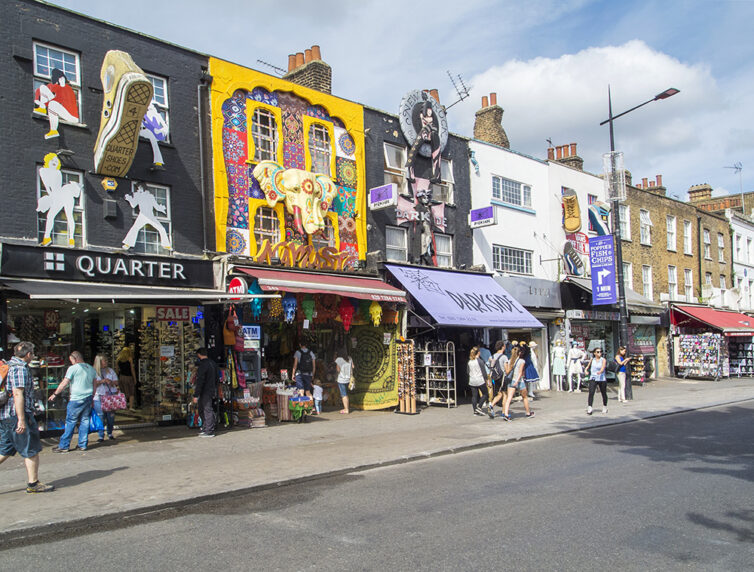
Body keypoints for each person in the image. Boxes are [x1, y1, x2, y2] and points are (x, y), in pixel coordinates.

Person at [0, 342, 54, 493]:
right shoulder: (19, 369)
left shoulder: (8, 365)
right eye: (33, 353)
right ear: (29, 355)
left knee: (4, 450)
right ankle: (33, 484)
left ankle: (34, 483)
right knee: (31, 449)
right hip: (16, 416)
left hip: (5, 416)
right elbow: (18, 394)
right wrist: (21, 419)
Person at [50, 351, 97, 452]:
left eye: (71, 360)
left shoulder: (73, 368)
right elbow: (94, 385)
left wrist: (55, 394)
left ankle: (64, 446)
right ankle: (82, 445)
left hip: (76, 399)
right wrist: (92, 397)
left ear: (75, 359)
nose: (71, 362)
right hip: (88, 397)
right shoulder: (91, 368)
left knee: (71, 421)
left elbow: (64, 383)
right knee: (85, 421)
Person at [502, 345, 534, 421]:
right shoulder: (522, 361)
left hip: (511, 381)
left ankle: (506, 414)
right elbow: (520, 373)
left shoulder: (510, 361)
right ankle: (528, 412)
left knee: (509, 398)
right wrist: (517, 381)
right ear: (519, 353)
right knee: (525, 397)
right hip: (519, 381)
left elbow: (507, 371)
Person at [93, 354, 118, 442]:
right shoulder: (94, 372)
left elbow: (116, 382)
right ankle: (100, 435)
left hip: (110, 396)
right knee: (100, 416)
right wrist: (102, 381)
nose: (106, 362)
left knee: (110, 416)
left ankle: (110, 432)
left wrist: (111, 382)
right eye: (105, 361)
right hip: (98, 396)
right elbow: (92, 383)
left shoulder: (110, 371)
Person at [193, 348, 218, 437]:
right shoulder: (213, 363)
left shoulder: (203, 365)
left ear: (199, 355)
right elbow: (217, 378)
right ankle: (206, 427)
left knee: (206, 409)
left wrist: (196, 395)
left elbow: (200, 381)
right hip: (211, 389)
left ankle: (209, 430)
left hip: (205, 390)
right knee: (202, 409)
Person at [486, 340, 509, 418]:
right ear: (503, 347)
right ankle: (503, 412)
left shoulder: (491, 357)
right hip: (503, 378)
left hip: (495, 378)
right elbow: (506, 369)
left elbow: (490, 368)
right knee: (505, 395)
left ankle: (491, 405)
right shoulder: (504, 357)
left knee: (499, 394)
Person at [585, 348, 608, 415]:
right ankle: (590, 407)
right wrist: (586, 370)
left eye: (600, 352)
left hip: (601, 378)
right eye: (598, 352)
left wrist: (600, 371)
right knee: (591, 392)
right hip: (593, 378)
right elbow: (587, 367)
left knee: (603, 393)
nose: (599, 353)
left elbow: (603, 367)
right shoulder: (592, 359)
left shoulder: (603, 360)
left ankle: (605, 406)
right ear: (594, 353)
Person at [467, 347, 488, 416]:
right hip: (480, 380)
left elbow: (468, 371)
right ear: (478, 353)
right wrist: (487, 380)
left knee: (474, 396)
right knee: (485, 394)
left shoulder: (469, 362)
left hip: (472, 380)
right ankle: (479, 406)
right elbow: (484, 372)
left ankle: (475, 410)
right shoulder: (480, 361)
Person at [116, 346, 137, 410]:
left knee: (124, 392)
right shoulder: (129, 359)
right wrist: (135, 378)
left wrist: (117, 378)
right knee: (131, 392)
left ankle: (124, 405)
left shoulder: (118, 359)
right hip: (129, 377)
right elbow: (132, 369)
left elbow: (117, 370)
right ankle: (130, 406)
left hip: (121, 377)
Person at [334, 349, 353, 414]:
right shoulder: (349, 358)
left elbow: (338, 370)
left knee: (344, 394)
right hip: (348, 379)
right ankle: (346, 408)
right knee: (346, 394)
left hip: (341, 379)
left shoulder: (339, 359)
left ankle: (346, 409)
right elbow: (353, 366)